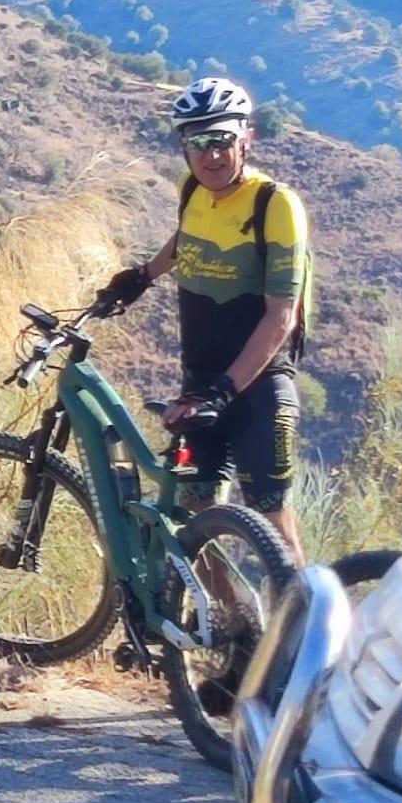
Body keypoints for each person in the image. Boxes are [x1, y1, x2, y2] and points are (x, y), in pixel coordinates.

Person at [97, 77, 310, 563]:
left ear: (246, 139)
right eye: (198, 142)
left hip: (258, 388)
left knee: (273, 520)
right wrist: (142, 277)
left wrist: (225, 391)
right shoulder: (191, 188)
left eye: (222, 140)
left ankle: (302, 612)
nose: (211, 155)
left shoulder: (275, 205)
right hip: (199, 383)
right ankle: (230, 612)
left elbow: (281, 317)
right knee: (193, 515)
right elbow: (188, 237)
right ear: (183, 144)